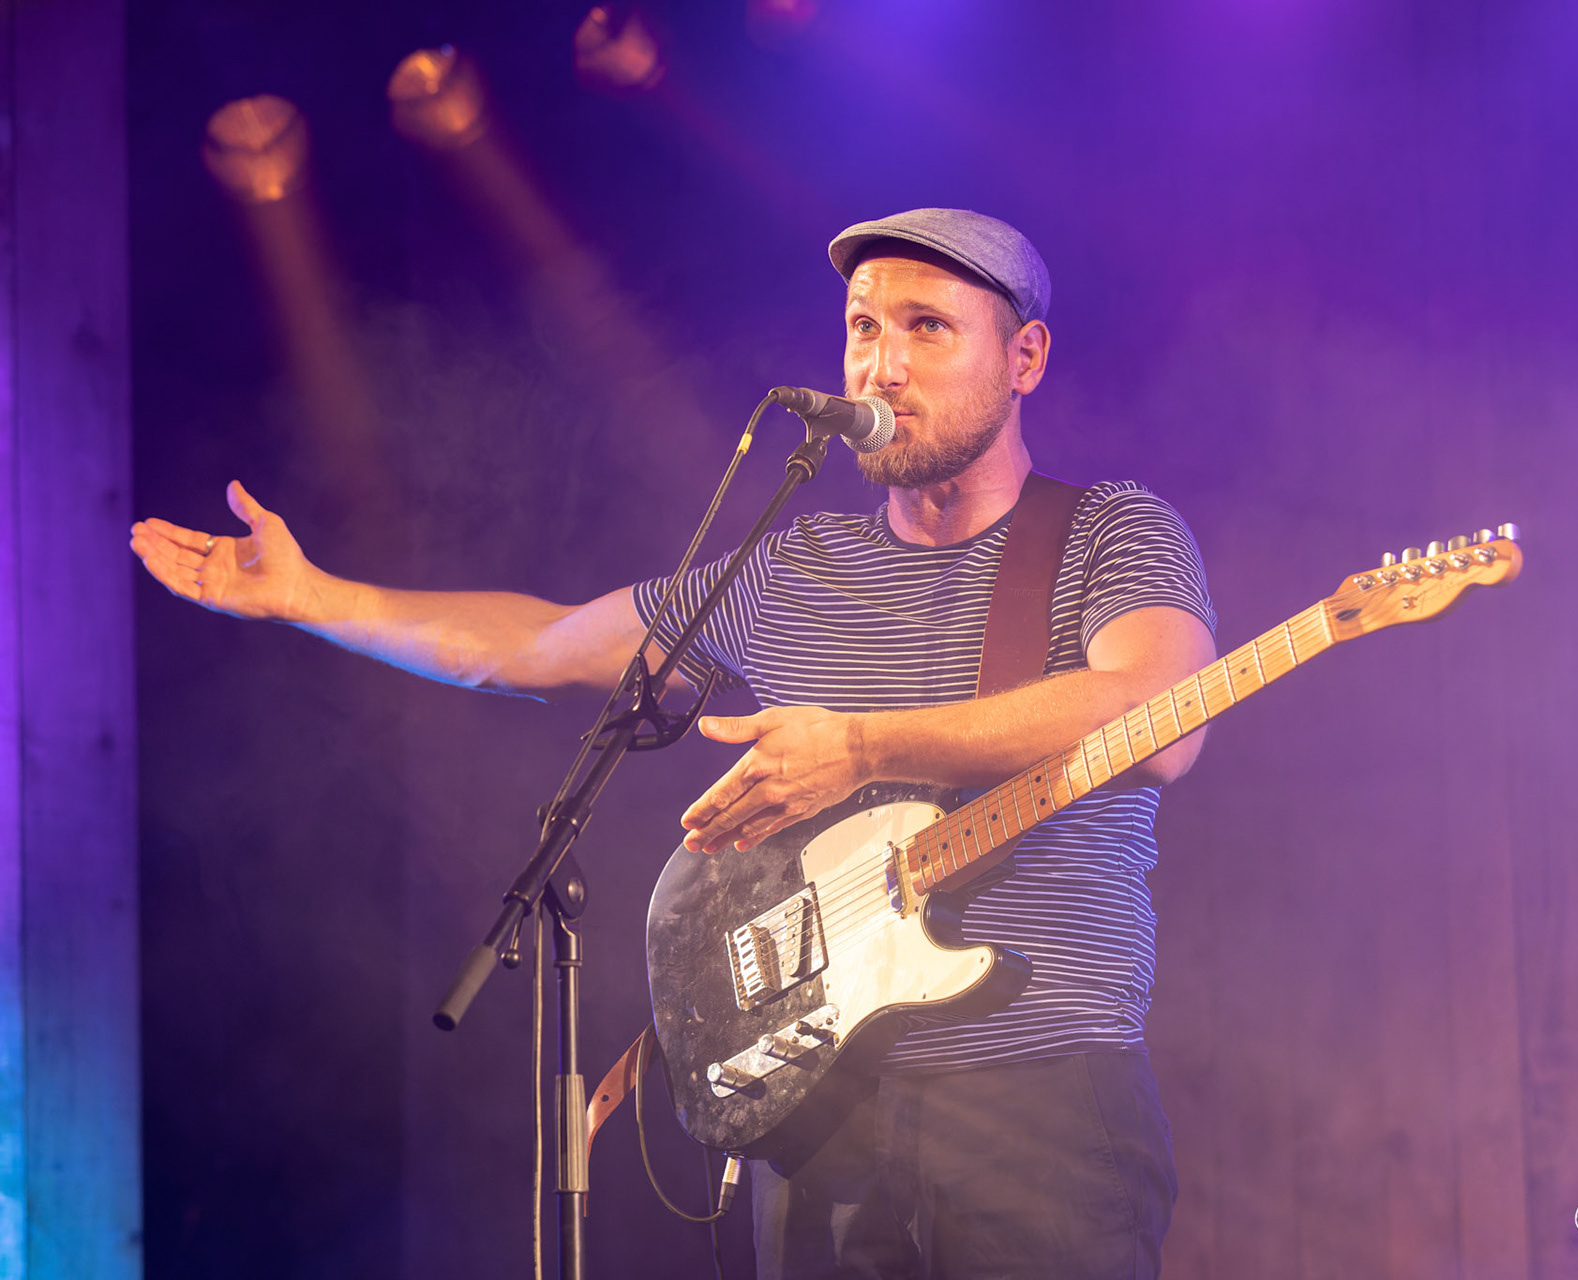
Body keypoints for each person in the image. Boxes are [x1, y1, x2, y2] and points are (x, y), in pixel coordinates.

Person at [131, 208, 1217, 1280]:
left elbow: (1161, 716)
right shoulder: (790, 570)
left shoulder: (1109, 531)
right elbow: (544, 646)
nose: (879, 365)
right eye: (862, 327)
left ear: (1024, 355)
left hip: (1039, 1095)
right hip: (816, 1109)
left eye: (926, 327)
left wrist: (860, 745)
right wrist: (316, 596)